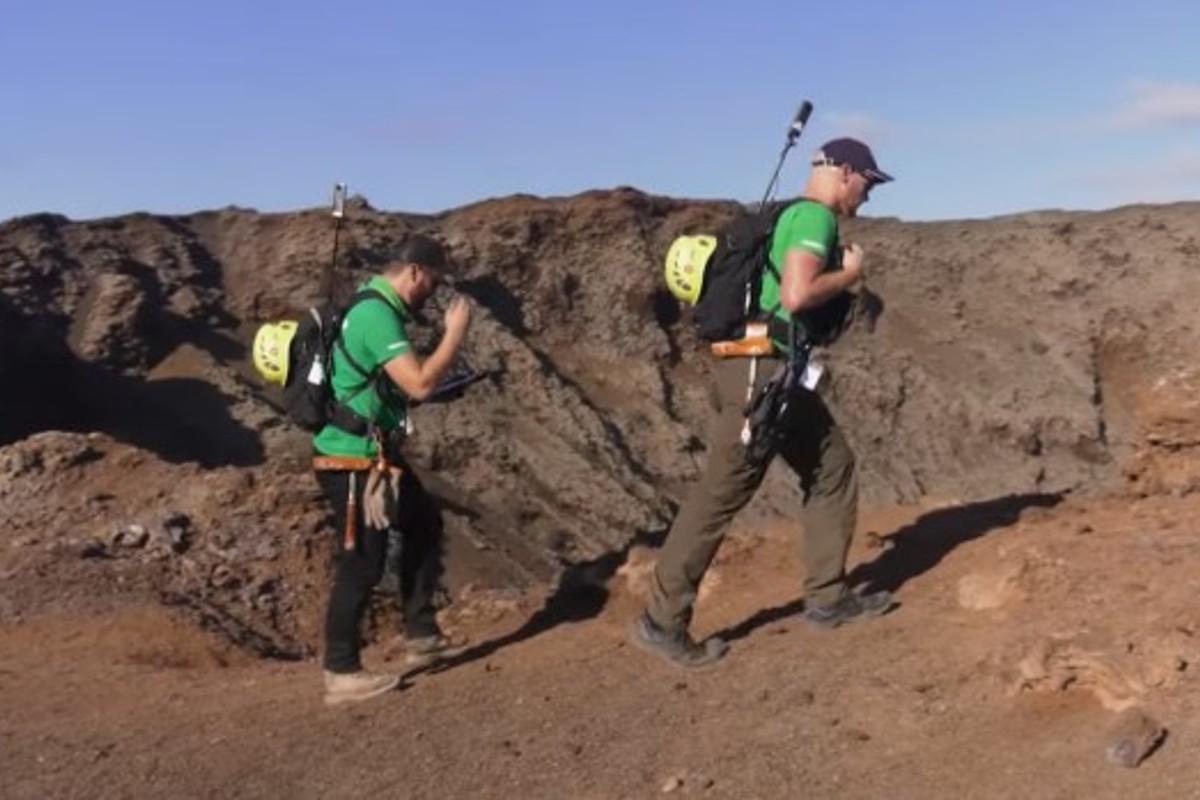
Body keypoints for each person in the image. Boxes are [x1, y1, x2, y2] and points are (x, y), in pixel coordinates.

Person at [632, 138, 897, 668]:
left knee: (832, 466)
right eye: (868, 183)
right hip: (762, 372)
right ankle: (662, 620)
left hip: (772, 372)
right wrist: (850, 275)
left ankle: (828, 597)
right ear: (846, 172)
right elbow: (797, 295)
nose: (868, 196)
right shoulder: (814, 218)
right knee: (721, 492)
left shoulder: (786, 215)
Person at [312, 234, 471, 705]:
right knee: (362, 563)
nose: (433, 293)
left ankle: (422, 634)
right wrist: (454, 333)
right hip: (353, 459)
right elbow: (418, 383)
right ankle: (340, 670)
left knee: (423, 522)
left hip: (372, 452)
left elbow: (386, 384)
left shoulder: (372, 304)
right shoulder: (376, 315)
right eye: (433, 282)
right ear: (414, 272)